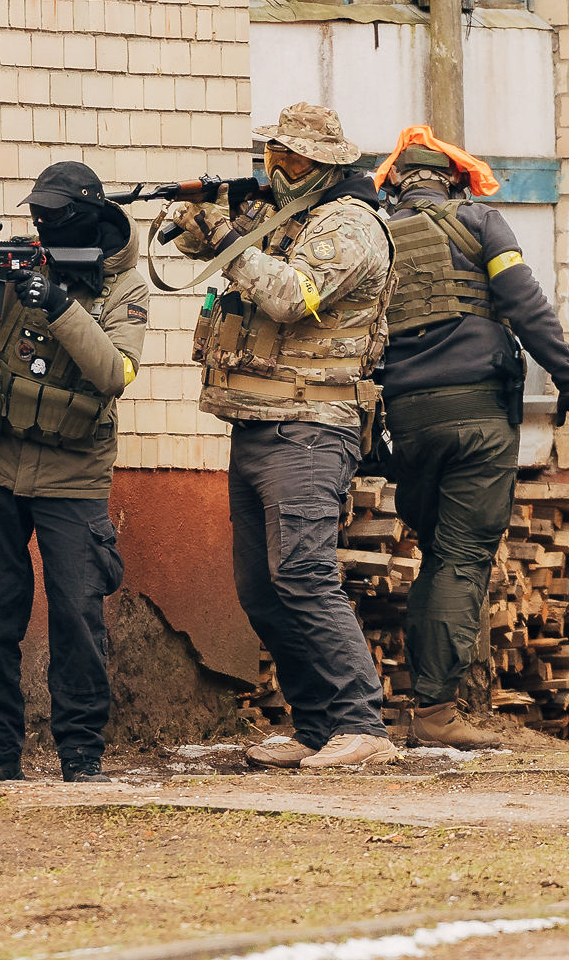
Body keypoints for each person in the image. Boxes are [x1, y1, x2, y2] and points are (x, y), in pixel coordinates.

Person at [167, 102, 399, 770]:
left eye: (294, 158)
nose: (279, 167)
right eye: (275, 154)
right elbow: (205, 253)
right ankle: (318, 724)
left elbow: (291, 297)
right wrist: (199, 224)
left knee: (303, 574)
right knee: (261, 588)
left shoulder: (349, 225)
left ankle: (362, 724)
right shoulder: (283, 215)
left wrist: (226, 238)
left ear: (325, 163)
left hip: (311, 427)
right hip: (259, 420)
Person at [0, 161, 145, 784]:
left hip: (74, 476)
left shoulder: (124, 285)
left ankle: (81, 756)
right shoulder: (21, 258)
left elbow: (114, 372)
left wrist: (59, 305)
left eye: (54, 216)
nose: (42, 225)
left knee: (77, 618)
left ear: (87, 213)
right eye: (38, 214)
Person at [370, 128, 569, 749]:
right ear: (455, 181)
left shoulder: (375, 234)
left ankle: (424, 700)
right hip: (479, 416)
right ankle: (436, 712)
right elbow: (526, 306)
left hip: (408, 421)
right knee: (461, 557)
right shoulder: (482, 223)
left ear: (396, 182)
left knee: (435, 554)